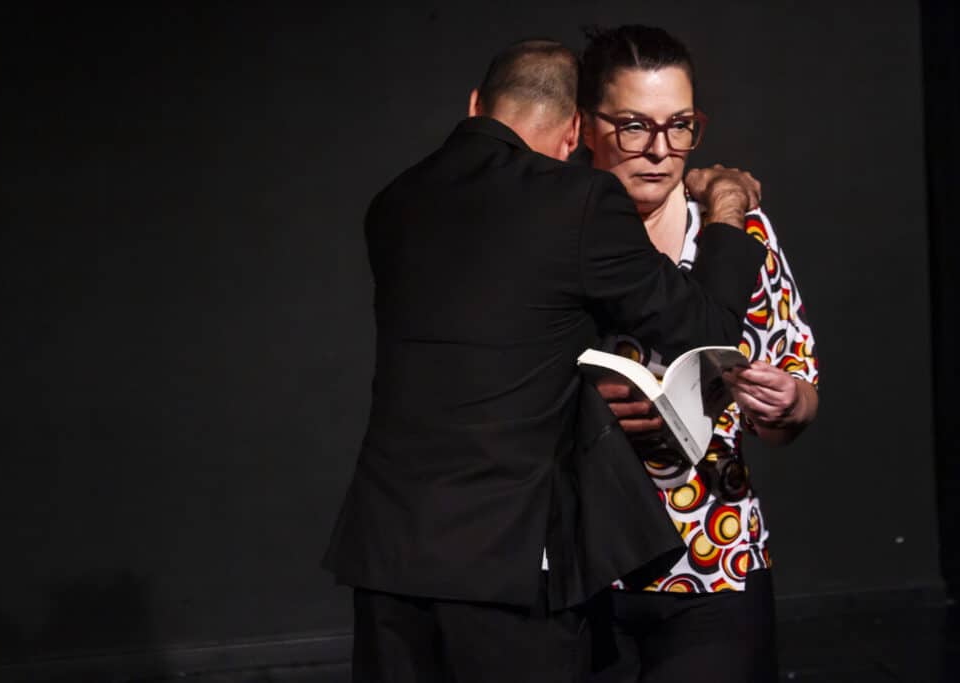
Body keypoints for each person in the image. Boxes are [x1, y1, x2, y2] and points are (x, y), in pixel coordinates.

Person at [323, 38, 768, 682]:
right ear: (574, 134)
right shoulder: (579, 200)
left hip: (389, 549)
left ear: (477, 104)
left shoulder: (395, 201)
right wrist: (727, 209)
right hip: (504, 562)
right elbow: (707, 326)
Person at [577, 25, 820, 682]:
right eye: (633, 126)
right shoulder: (552, 227)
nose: (660, 150)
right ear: (585, 124)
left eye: (679, 125)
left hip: (715, 563)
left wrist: (785, 401)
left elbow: (796, 381)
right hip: (579, 569)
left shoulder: (737, 226)